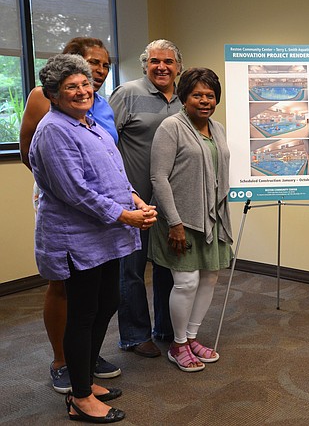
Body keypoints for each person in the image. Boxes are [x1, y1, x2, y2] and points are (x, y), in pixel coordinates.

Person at [29, 54, 157, 423]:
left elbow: (114, 173)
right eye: (71, 86)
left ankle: (83, 378)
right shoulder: (54, 129)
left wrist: (135, 199)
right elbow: (76, 191)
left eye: (85, 83)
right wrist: (125, 215)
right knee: (83, 314)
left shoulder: (90, 124)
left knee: (108, 302)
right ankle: (80, 397)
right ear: (53, 94)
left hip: (106, 235)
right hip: (77, 237)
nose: (82, 90)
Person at [18, 37, 121, 393]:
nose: (100, 70)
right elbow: (31, 153)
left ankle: (84, 361)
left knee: (100, 295)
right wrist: (59, 185)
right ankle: (64, 361)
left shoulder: (101, 105)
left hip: (104, 206)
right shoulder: (43, 98)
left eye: (106, 65)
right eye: (92, 62)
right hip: (67, 202)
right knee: (66, 287)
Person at [149, 67, 233, 372]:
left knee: (210, 277)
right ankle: (178, 343)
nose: (204, 100)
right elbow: (158, 177)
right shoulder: (170, 127)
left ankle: (193, 337)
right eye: (197, 94)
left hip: (211, 218)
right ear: (184, 97)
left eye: (210, 95)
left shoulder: (218, 128)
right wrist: (174, 222)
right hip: (180, 221)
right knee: (185, 282)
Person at [109, 39, 183, 358]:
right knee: (131, 271)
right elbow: (105, 144)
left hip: (171, 200)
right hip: (134, 199)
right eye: (155, 61)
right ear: (145, 64)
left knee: (169, 267)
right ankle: (135, 335)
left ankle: (166, 328)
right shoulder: (128, 94)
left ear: (178, 66)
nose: (162, 67)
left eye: (168, 61)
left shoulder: (185, 98)